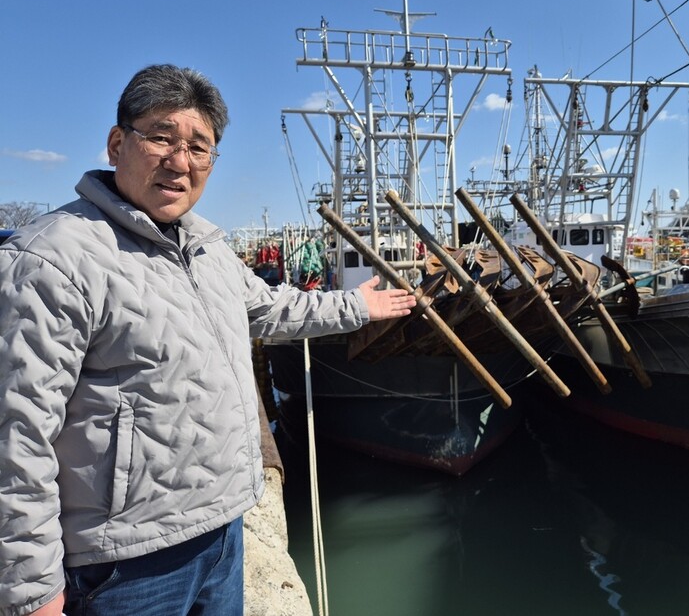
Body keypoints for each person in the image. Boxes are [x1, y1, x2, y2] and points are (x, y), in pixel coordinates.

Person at [0, 64, 416, 616]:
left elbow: (272, 308)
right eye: (162, 137)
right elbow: (16, 433)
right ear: (117, 143)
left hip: (223, 532)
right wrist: (31, 590)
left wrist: (358, 306)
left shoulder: (209, 249)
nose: (180, 162)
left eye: (199, 147)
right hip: (127, 563)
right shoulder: (51, 259)